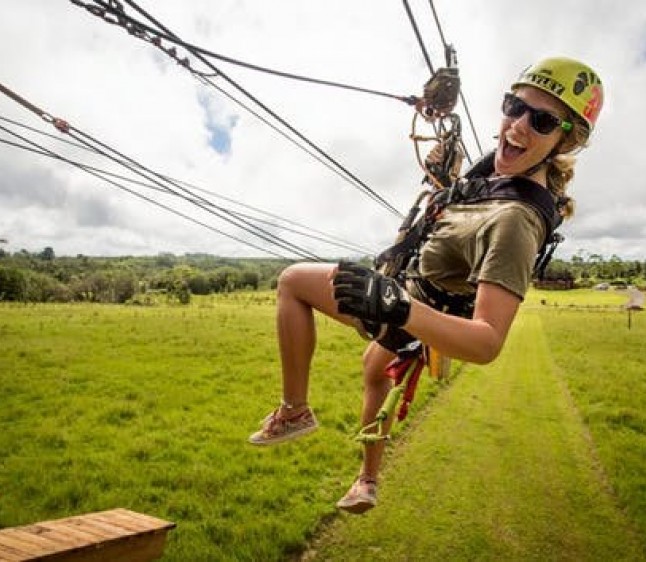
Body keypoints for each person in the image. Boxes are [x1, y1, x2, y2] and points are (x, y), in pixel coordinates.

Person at [248, 57, 604, 514]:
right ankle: (366, 480)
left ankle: (294, 410)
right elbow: (462, 206)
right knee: (373, 370)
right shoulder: (496, 177)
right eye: (513, 106)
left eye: (541, 120)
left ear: (564, 138)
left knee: (294, 282)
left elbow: (487, 342)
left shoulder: (516, 220)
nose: (517, 125)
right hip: (405, 297)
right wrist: (444, 170)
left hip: (409, 309)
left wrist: (400, 309)